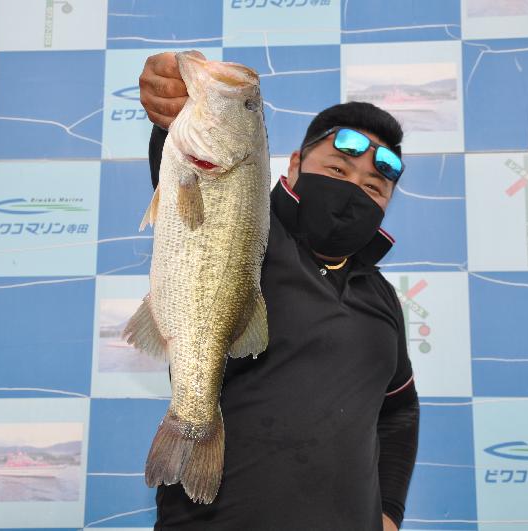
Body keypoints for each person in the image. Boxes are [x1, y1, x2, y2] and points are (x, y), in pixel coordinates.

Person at [138, 50, 420, 531]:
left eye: (374, 187)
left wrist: (390, 513)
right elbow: (199, 190)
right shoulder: (255, 237)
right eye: (338, 171)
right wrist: (173, 114)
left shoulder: (383, 296)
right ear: (292, 166)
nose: (355, 190)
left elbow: (400, 411)